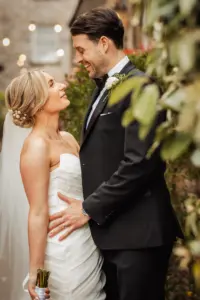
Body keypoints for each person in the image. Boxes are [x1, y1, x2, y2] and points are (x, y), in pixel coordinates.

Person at [49, 8, 184, 300]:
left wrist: (87, 207)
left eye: (81, 49)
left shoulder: (140, 86)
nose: (78, 58)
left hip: (138, 235)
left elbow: (140, 163)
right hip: (108, 235)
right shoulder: (101, 89)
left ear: (105, 44)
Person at [0, 70, 105, 300]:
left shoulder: (67, 138)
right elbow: (37, 213)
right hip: (60, 249)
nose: (61, 85)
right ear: (37, 100)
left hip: (87, 242)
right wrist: (37, 274)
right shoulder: (35, 146)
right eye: (51, 84)